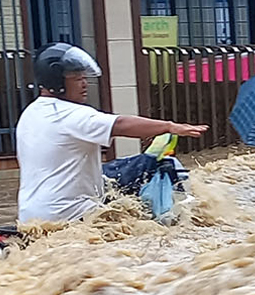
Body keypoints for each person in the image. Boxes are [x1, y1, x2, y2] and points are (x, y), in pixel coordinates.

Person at [16, 43, 207, 225]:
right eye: (76, 78)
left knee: (119, 173)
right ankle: (176, 226)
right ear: (56, 81)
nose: (84, 84)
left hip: (30, 215)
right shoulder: (71, 115)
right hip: (70, 214)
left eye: (84, 78)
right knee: (158, 166)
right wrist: (170, 126)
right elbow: (121, 124)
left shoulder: (31, 113)